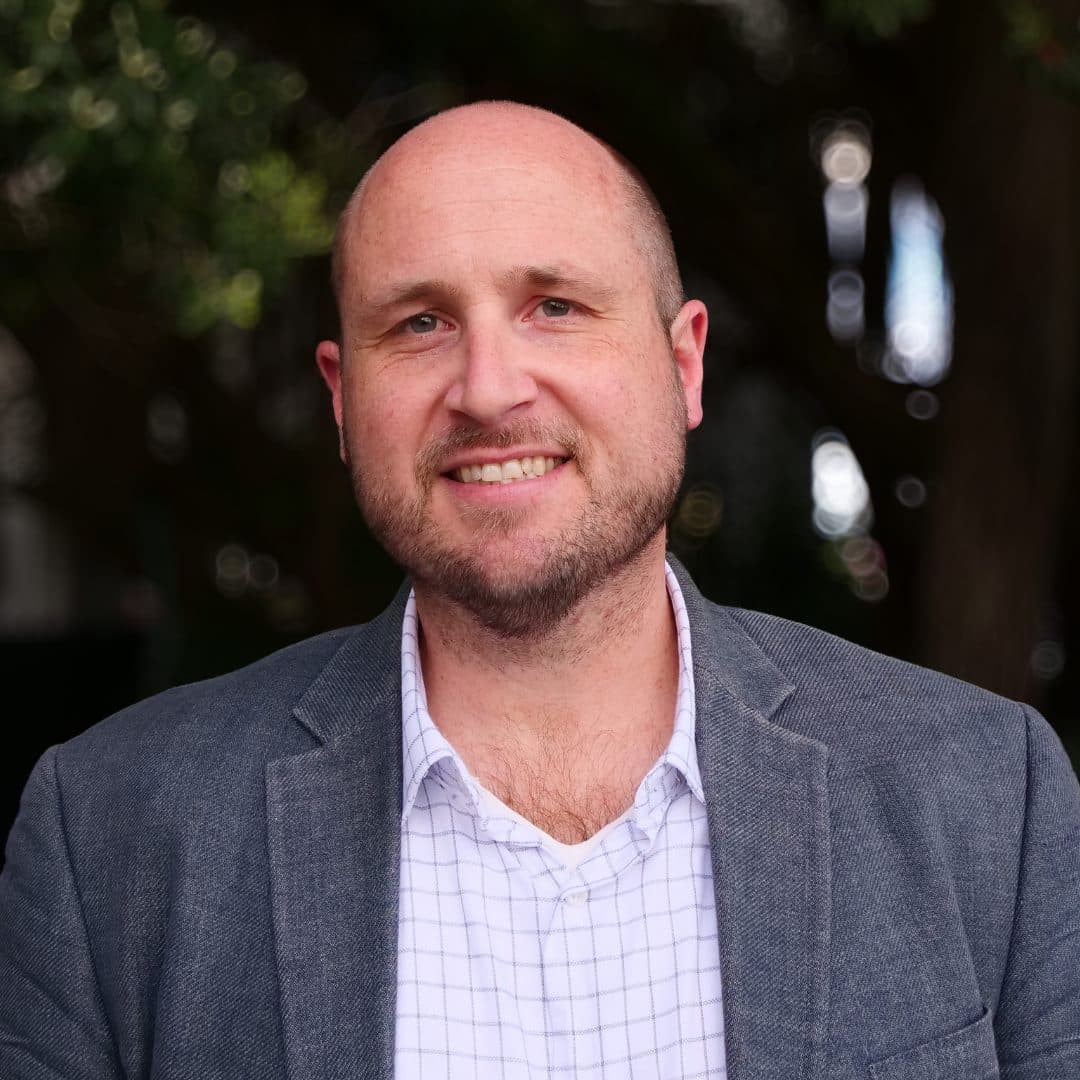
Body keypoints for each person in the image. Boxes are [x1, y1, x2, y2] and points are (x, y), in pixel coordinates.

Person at [1, 101, 1077, 1080]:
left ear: (684, 364)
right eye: (420, 323)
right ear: (341, 397)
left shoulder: (984, 796)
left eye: (554, 305)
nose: (488, 388)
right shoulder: (112, 837)